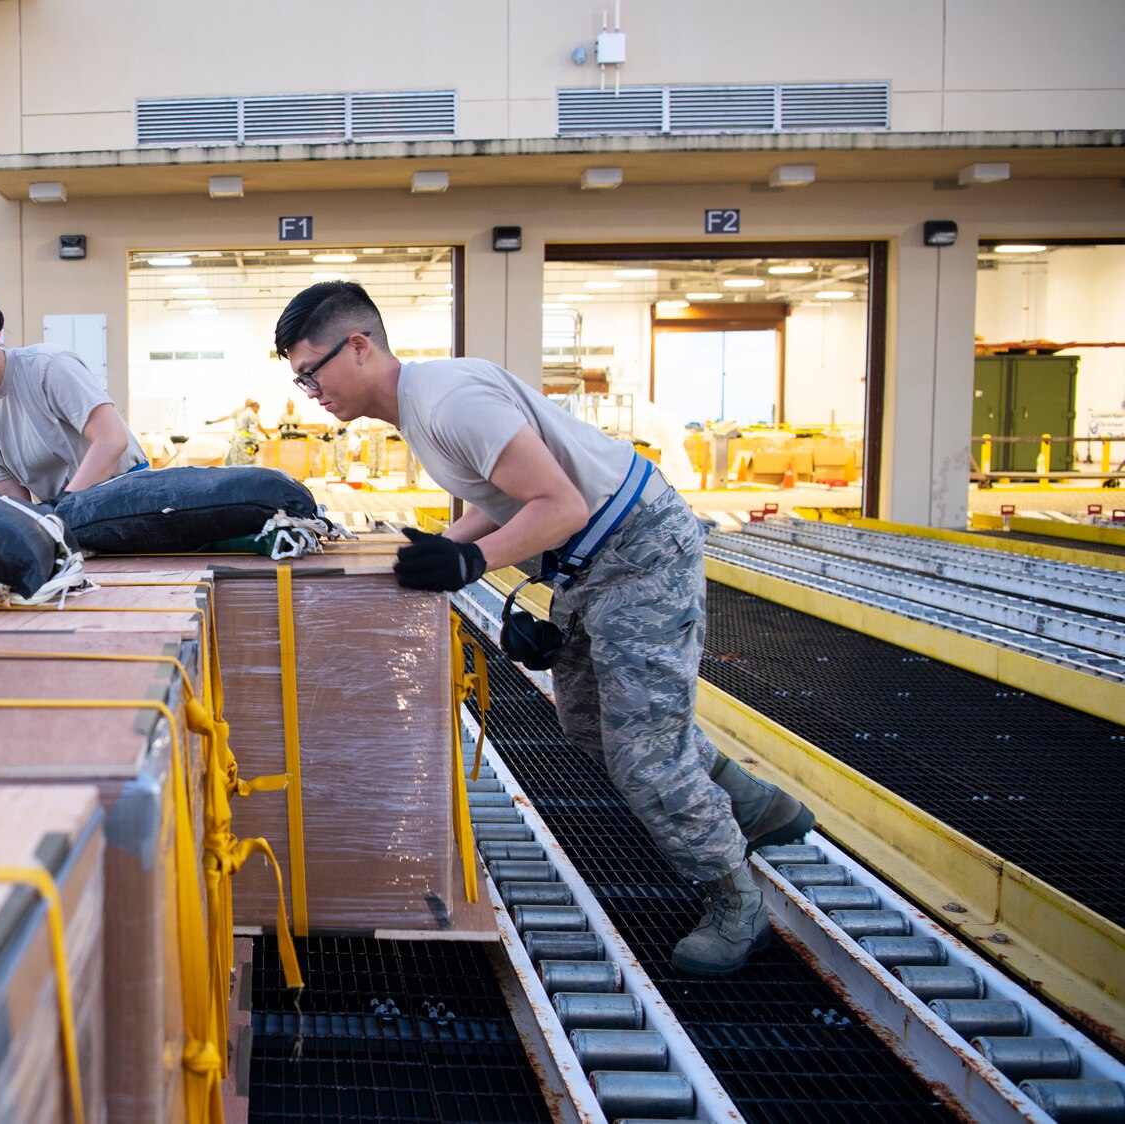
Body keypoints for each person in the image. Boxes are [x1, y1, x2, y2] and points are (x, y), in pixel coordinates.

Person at [273, 281, 813, 976]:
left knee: (643, 755)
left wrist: (467, 561)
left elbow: (557, 503)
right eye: (298, 378)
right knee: (592, 727)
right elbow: (506, 499)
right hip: (590, 563)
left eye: (310, 371)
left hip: (639, 550)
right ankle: (756, 805)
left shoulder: (447, 402)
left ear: (359, 345)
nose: (308, 389)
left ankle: (737, 902)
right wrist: (432, 547)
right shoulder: (420, 409)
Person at [0, 301, 146, 503]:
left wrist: (66, 509)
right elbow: (12, 497)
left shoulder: (48, 367)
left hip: (125, 494)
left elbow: (112, 440)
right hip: (64, 511)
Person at [208, 399, 264, 466]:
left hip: (237, 440)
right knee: (249, 462)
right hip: (246, 442)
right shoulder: (251, 415)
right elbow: (253, 429)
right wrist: (256, 443)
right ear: (255, 407)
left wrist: (213, 422)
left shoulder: (242, 414)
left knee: (237, 462)